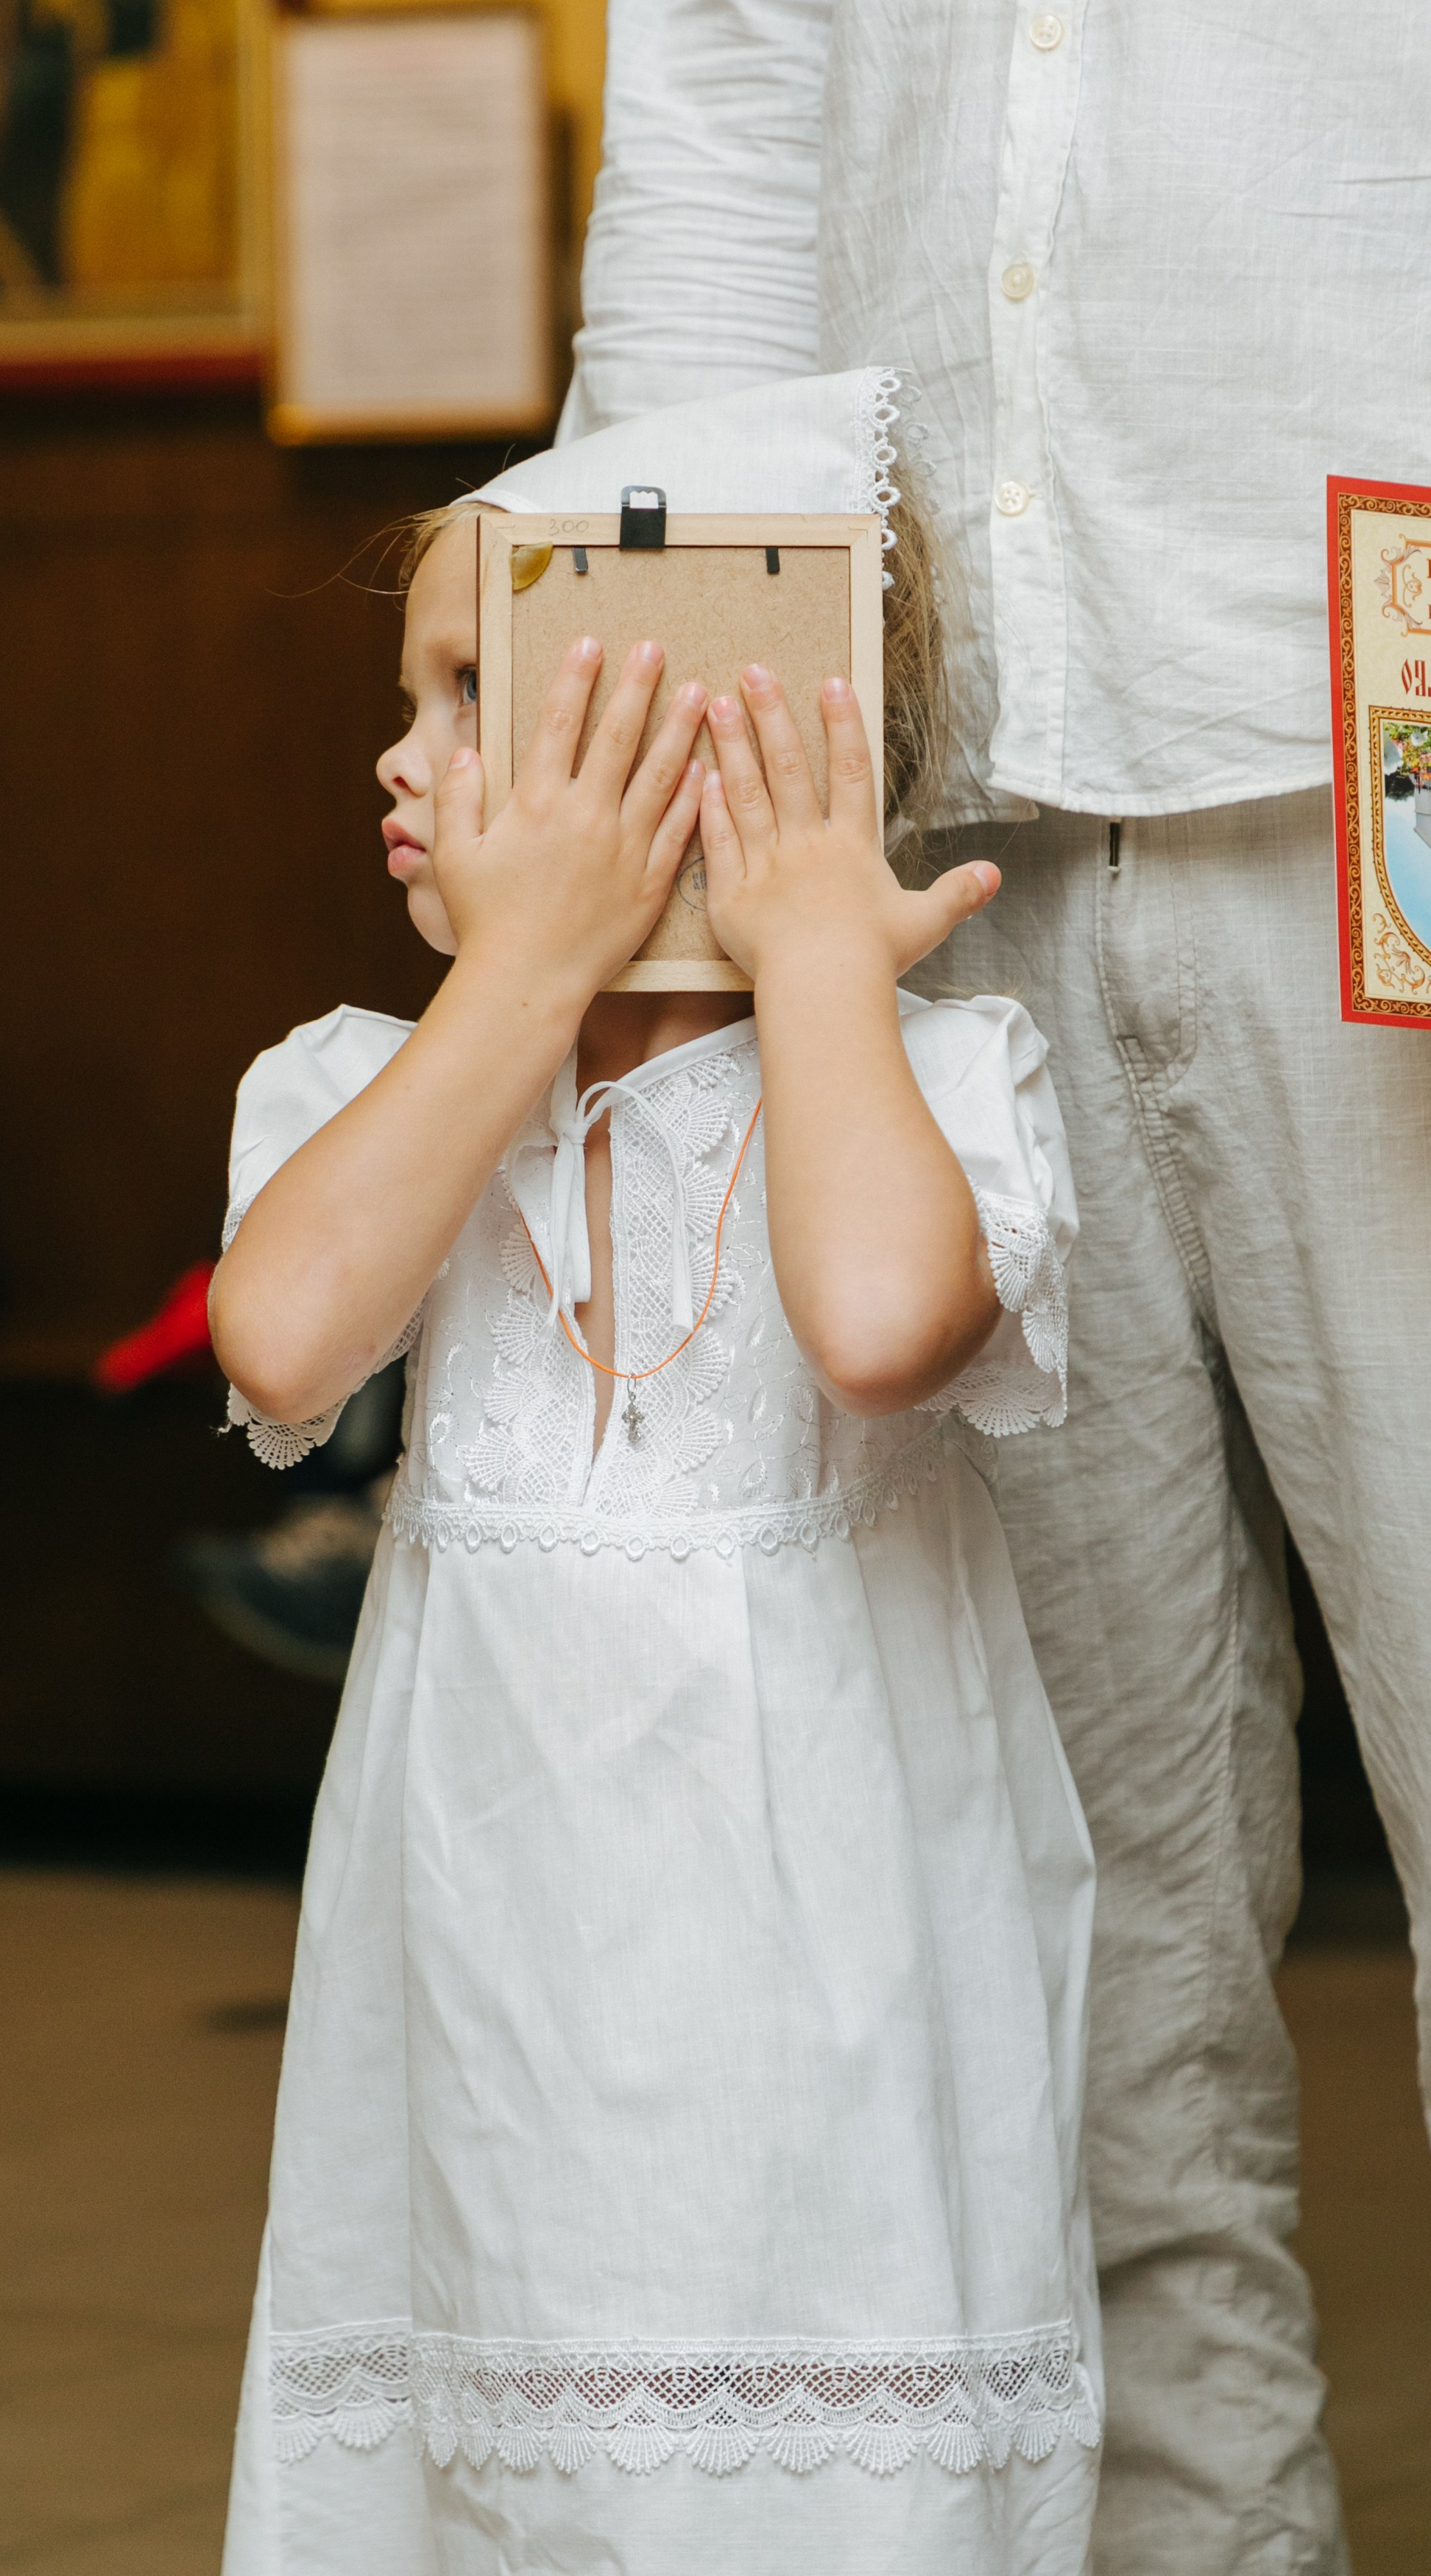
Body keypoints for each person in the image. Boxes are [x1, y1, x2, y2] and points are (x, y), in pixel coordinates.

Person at [562, 6, 1431, 2563]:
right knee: (1074, 1903)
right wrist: (634, 771)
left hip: (1389, 757)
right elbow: (717, 164)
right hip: (929, 824)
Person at [211, 468, 1099, 2573]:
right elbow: (280, 1341)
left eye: (458, 691)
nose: (395, 757)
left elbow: (878, 1319)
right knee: (505, 2458)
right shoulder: (360, 1077)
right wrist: (524, 977)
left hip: (832, 1990)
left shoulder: (936, 1073)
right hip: (495, 1986)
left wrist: (807, 958)